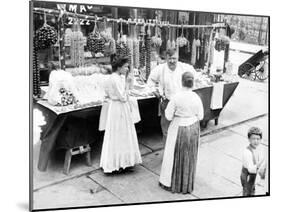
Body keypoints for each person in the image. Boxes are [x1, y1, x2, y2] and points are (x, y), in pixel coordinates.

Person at [159, 71, 204, 194]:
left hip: (178, 126)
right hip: (193, 128)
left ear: (181, 82)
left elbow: (168, 116)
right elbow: (201, 116)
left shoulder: (176, 97)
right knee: (190, 155)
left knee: (173, 155)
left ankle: (171, 182)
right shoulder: (196, 97)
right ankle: (186, 184)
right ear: (192, 83)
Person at [99, 55, 142, 174]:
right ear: (118, 67)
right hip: (118, 107)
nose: (127, 69)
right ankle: (117, 163)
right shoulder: (115, 79)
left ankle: (124, 162)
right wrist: (127, 84)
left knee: (122, 133)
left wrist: (127, 83)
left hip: (118, 107)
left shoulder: (116, 77)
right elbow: (123, 97)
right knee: (119, 133)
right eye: (125, 67)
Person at [147, 48, 197, 143]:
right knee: (166, 131)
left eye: (174, 58)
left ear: (178, 58)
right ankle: (168, 155)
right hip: (166, 103)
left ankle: (178, 154)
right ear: (166, 58)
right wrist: (154, 90)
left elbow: (195, 76)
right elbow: (150, 80)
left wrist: (189, 92)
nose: (172, 61)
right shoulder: (160, 68)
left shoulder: (184, 67)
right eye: (169, 58)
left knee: (180, 130)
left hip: (181, 105)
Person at [240, 127, 266, 196]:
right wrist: (260, 163)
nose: (256, 141)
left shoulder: (258, 148)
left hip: (253, 173)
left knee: (252, 188)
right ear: (249, 139)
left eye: (258, 139)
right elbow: (251, 169)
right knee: (247, 191)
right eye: (253, 139)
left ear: (260, 139)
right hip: (247, 174)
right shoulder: (247, 152)